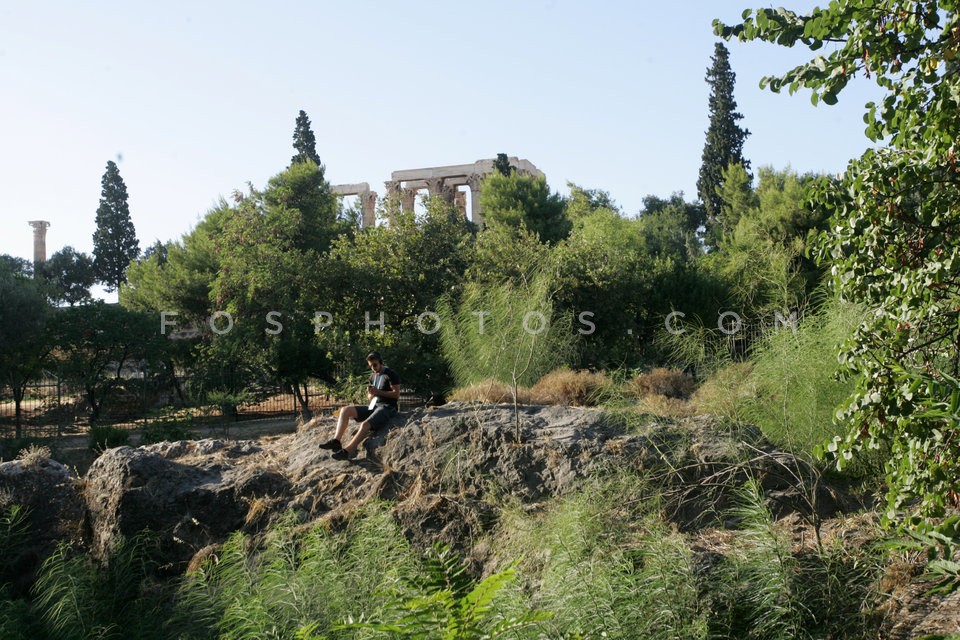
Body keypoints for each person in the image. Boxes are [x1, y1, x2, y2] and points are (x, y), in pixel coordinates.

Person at [319, 352, 401, 461]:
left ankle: (347, 451)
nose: (373, 368)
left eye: (375, 365)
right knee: (345, 410)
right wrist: (371, 394)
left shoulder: (390, 374)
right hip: (374, 405)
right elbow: (370, 397)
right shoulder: (373, 376)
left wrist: (378, 392)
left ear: (381, 362)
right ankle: (336, 441)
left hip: (388, 407)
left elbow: (396, 394)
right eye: (370, 366)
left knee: (365, 424)